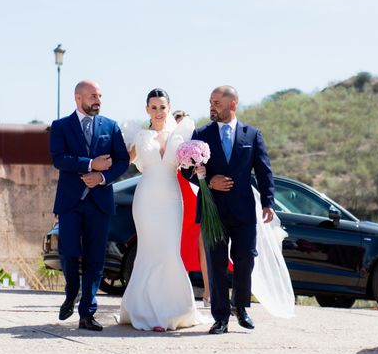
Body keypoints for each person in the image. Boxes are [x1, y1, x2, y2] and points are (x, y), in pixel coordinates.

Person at [185, 85, 276, 335]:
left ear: (232, 104)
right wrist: (207, 180)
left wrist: (269, 202)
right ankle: (220, 317)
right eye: (210, 101)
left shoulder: (252, 134)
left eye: (217, 102)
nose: (212, 106)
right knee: (216, 264)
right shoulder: (201, 133)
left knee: (246, 258)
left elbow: (264, 170)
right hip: (213, 210)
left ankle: (241, 307)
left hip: (244, 211)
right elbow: (186, 169)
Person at [118, 89, 211, 331]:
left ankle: (173, 311)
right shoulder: (141, 136)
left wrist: (199, 166)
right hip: (146, 199)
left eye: (162, 107)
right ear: (147, 110)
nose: (158, 112)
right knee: (148, 252)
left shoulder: (180, 138)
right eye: (154, 107)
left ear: (169, 108)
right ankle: (145, 311)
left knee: (170, 251)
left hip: (172, 200)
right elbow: (125, 161)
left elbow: (189, 166)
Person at [49, 80, 130, 331]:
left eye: (100, 96)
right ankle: (72, 291)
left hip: (100, 202)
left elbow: (122, 161)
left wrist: (102, 177)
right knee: (69, 252)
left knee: (96, 258)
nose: (98, 100)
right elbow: (59, 159)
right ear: (78, 98)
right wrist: (90, 164)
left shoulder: (111, 126)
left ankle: (87, 312)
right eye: (93, 96)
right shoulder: (61, 126)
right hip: (70, 202)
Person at [173, 109, 211, 308]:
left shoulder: (197, 145)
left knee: (203, 246)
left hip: (195, 197)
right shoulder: (170, 145)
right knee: (180, 247)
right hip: (177, 198)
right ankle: (182, 294)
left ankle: (208, 292)